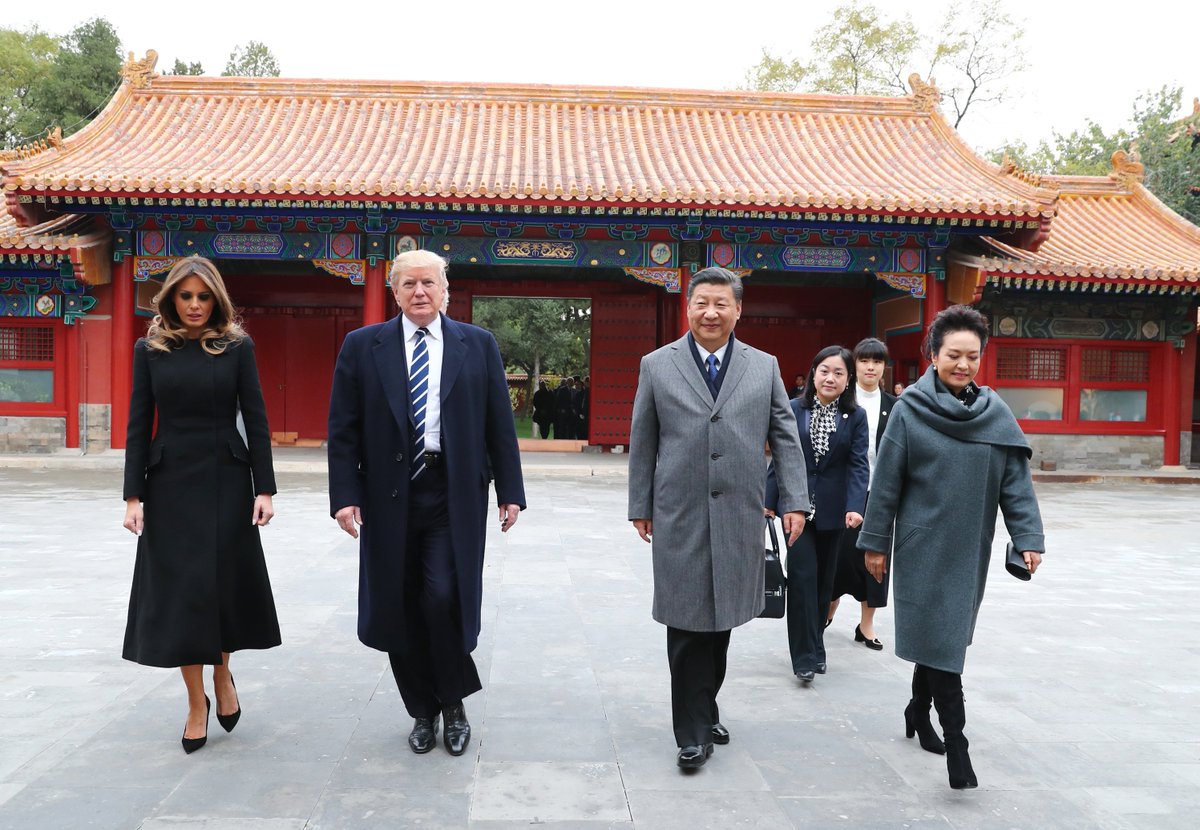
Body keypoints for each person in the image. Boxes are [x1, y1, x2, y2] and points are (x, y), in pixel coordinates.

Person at [327, 249, 525, 757]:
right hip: (387, 496)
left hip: (451, 491)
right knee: (398, 602)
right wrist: (344, 496)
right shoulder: (362, 346)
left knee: (442, 597)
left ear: (445, 291)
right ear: (394, 292)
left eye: (429, 283)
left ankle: (453, 703)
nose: (420, 292)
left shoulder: (475, 345)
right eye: (409, 284)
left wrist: (510, 491)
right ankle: (422, 709)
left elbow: (498, 423)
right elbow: (343, 428)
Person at [628, 267, 809, 770]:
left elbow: (785, 437)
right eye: (702, 303)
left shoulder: (763, 365)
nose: (711, 312)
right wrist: (639, 505)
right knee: (686, 619)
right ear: (688, 307)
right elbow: (643, 441)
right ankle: (691, 731)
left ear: (737, 310)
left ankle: (705, 704)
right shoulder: (657, 365)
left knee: (723, 618)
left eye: (721, 304)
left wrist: (795, 499)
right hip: (678, 512)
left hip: (738, 511)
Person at [859, 305, 1045, 790]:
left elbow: (1016, 486)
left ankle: (917, 710)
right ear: (933, 355)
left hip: (970, 551)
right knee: (942, 644)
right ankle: (957, 747)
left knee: (942, 642)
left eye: (972, 356)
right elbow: (886, 485)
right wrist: (876, 543)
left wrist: (1027, 537)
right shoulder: (910, 410)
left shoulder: (995, 414)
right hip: (922, 548)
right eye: (953, 355)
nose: (962, 365)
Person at [121, 255, 280, 755]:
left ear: (216, 300)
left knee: (221, 586)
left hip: (227, 480)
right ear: (171, 298)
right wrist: (133, 496)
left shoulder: (236, 346)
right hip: (169, 483)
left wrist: (265, 488)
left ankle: (224, 674)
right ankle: (196, 700)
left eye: (203, 296)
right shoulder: (150, 349)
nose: (194, 305)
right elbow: (137, 424)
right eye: (185, 296)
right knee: (182, 594)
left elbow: (255, 418)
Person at [765, 345, 868, 683]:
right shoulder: (793, 409)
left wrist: (855, 506)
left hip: (835, 511)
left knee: (825, 583)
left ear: (847, 379)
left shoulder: (856, 417)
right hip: (794, 508)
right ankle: (804, 657)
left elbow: (857, 464)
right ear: (813, 373)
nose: (830, 377)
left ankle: (817, 645)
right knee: (803, 578)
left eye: (839, 373)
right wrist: (769, 499)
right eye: (824, 370)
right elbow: (780, 457)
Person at [828, 337, 897, 649]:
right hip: (843, 492)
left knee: (876, 561)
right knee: (838, 556)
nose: (871, 367)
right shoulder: (841, 400)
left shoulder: (895, 407)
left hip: (879, 495)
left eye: (878, 361)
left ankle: (866, 624)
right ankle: (826, 612)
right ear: (854, 365)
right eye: (865, 360)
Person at [574, 374, 590, 441]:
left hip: (587, 415)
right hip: (579, 415)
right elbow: (575, 404)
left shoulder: (590, 393)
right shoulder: (579, 394)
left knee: (585, 432)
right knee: (579, 432)